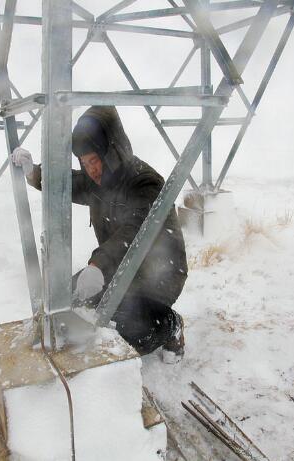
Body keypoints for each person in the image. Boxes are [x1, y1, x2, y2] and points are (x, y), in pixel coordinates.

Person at [11, 106, 188, 362]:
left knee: (119, 333)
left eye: (94, 161)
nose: (90, 170)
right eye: (84, 163)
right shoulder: (96, 180)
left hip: (158, 275)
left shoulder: (145, 183)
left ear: (111, 153)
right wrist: (33, 172)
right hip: (116, 266)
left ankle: (171, 325)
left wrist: (97, 265)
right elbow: (65, 183)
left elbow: (135, 231)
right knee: (65, 301)